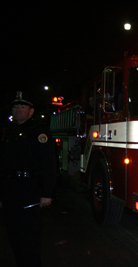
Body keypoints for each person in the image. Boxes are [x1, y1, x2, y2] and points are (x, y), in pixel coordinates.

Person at [0, 91, 56, 266]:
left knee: (29, 240)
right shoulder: (9, 134)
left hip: (29, 192)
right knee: (14, 238)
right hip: (10, 193)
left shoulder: (39, 134)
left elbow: (50, 164)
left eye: (23, 107)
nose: (18, 110)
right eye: (15, 106)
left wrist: (47, 193)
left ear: (31, 111)